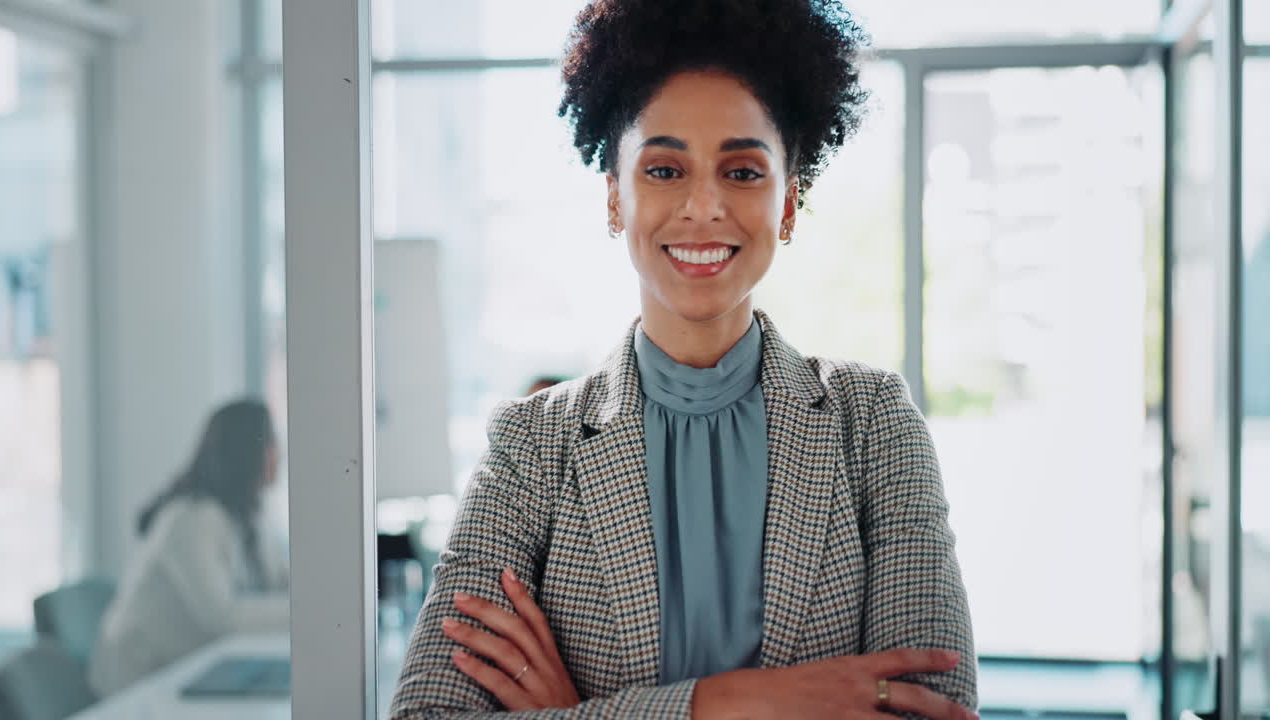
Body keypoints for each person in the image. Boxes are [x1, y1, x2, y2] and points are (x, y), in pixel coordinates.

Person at [390, 0, 977, 717]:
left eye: (743, 172)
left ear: (789, 203)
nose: (703, 206)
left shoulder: (874, 422)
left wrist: (577, 710)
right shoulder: (530, 444)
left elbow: (934, 706)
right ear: (616, 198)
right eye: (665, 170)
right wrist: (736, 703)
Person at [88, 399, 290, 697]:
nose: (279, 455)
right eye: (271, 443)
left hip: (194, 670)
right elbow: (224, 618)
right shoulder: (190, 518)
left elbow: (280, 584)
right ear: (245, 453)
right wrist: (307, 611)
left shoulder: (248, 516)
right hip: (138, 681)